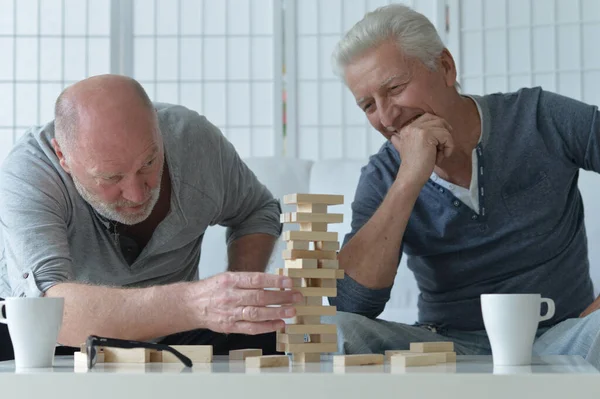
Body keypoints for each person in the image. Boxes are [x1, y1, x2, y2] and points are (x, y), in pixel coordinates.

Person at [327, 4, 600, 368]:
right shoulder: (381, 175)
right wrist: (409, 177)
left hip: (566, 336)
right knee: (335, 331)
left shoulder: (539, 116)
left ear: (445, 66)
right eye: (368, 105)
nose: (387, 116)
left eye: (394, 88)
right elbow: (352, 305)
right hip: (446, 347)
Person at [0, 74, 302, 359]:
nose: (136, 193)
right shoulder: (30, 172)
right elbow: (44, 310)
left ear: (160, 132)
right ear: (63, 157)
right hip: (55, 341)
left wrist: (235, 301)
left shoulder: (194, 141)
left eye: (148, 163)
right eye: (111, 177)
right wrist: (195, 304)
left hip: (175, 334)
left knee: (269, 338)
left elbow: (256, 210)